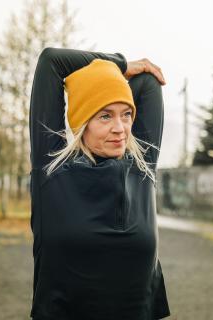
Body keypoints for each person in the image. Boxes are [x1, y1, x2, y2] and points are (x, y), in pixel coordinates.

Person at [29, 46, 170, 320]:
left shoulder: (142, 169)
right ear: (82, 123)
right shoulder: (52, 172)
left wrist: (112, 81)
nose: (120, 128)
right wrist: (120, 64)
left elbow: (148, 81)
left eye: (126, 114)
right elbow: (51, 61)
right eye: (105, 116)